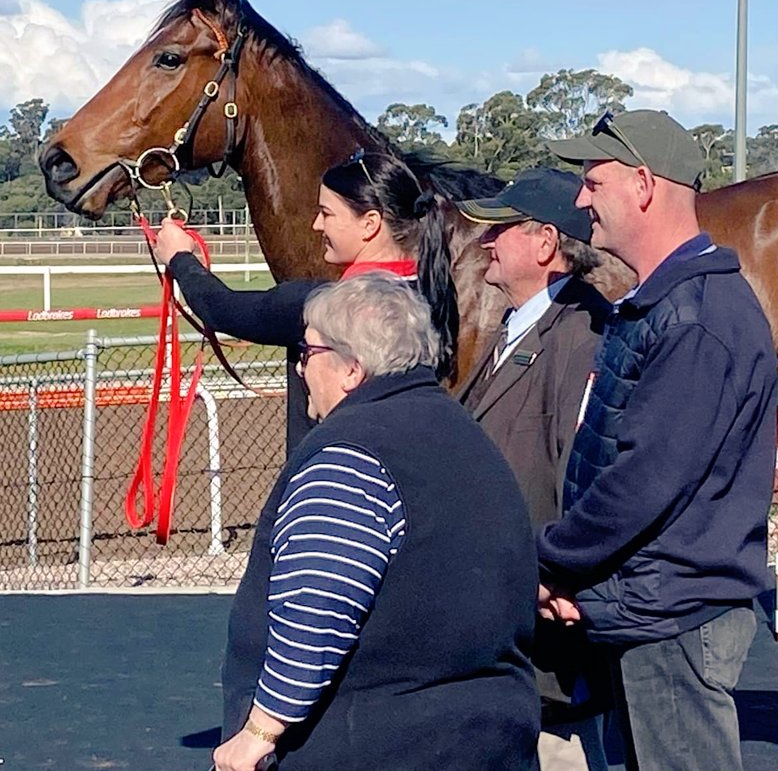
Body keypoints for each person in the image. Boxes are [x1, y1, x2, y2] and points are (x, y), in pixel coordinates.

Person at [213, 273, 540, 771]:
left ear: (351, 369)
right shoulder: (464, 434)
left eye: (308, 352)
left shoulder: (349, 454)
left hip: (373, 741)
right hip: (489, 733)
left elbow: (317, 607)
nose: (301, 369)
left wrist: (260, 730)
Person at [537, 110, 778, 771]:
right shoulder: (664, 304)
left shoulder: (697, 316)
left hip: (675, 617)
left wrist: (552, 562)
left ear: (643, 184)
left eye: (593, 182)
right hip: (651, 609)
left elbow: (643, 481)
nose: (581, 198)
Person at [455, 167, 611, 771]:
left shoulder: (581, 334)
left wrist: (552, 575)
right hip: (508, 624)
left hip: (547, 637)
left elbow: (577, 475)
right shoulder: (515, 327)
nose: (487, 242)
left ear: (546, 243)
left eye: (503, 230)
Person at [152, 149, 458, 450]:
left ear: (370, 223)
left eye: (326, 213)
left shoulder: (320, 305)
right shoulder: (433, 292)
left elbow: (221, 308)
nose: (317, 225)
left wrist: (180, 258)